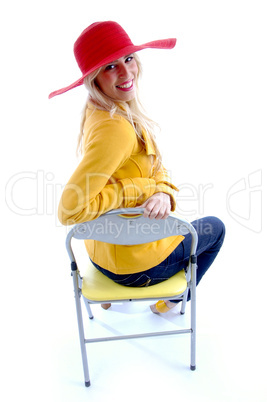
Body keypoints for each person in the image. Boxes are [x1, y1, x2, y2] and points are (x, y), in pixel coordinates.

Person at [49, 21, 225, 313]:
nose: (126, 72)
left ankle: (115, 292)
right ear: (94, 78)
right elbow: (69, 209)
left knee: (175, 220)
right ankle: (173, 300)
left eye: (128, 59)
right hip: (134, 270)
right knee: (215, 229)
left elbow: (155, 167)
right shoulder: (115, 129)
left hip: (102, 257)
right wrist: (141, 189)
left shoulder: (105, 110)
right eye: (110, 66)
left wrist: (163, 192)